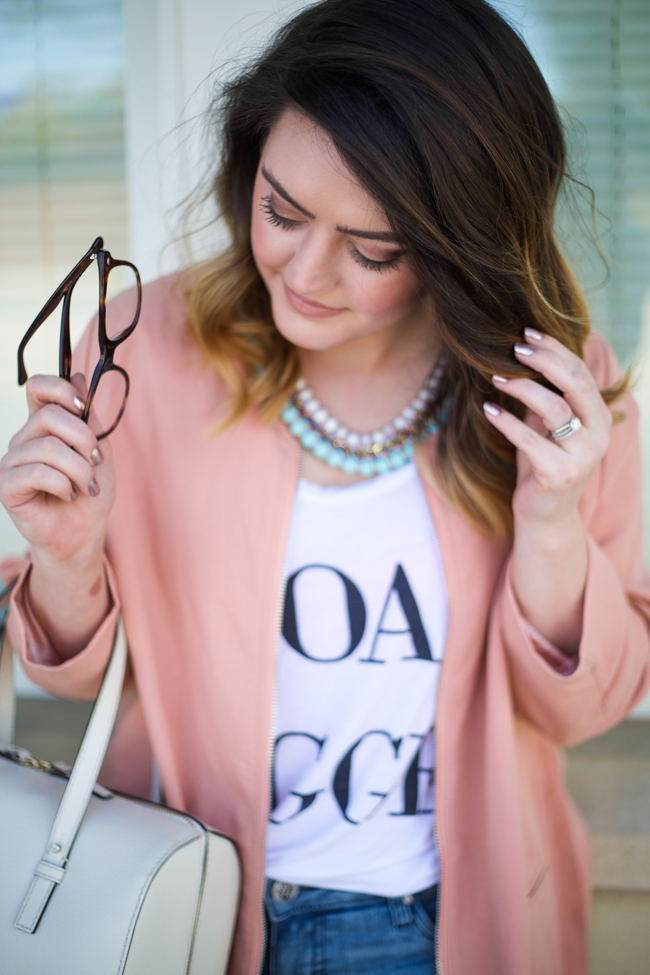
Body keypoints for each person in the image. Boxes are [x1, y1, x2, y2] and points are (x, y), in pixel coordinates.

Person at [1, 1, 649, 972]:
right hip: (189, 902)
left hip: (443, 928)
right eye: (282, 210)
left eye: (373, 250)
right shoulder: (143, 348)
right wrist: (64, 558)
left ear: (454, 241)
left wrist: (549, 523)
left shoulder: (547, 389)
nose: (303, 273)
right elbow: (89, 684)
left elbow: (581, 711)